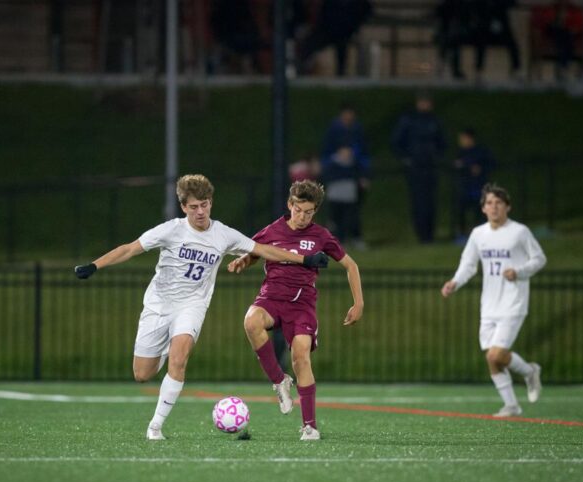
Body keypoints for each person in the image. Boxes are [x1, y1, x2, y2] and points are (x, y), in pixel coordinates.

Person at [73, 174, 329, 440]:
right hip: (159, 305)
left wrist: (305, 259)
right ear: (183, 207)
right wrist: (94, 266)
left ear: (211, 203)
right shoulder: (171, 230)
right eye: (194, 207)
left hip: (192, 306)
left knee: (180, 355)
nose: (200, 211)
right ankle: (163, 351)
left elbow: (265, 250)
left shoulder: (223, 234)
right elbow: (129, 249)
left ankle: (155, 426)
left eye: (204, 205)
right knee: (142, 374)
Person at [227, 180, 363, 441]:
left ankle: (310, 426)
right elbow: (256, 251)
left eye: (309, 212)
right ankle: (279, 381)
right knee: (251, 321)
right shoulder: (271, 230)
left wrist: (359, 303)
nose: (302, 217)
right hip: (271, 298)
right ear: (290, 205)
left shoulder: (321, 236)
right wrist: (244, 261)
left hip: (302, 306)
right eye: (298, 209)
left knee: (300, 356)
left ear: (315, 211)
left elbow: (351, 265)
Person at [441, 184, 546, 417]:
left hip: (513, 301)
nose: (494, 207)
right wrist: (454, 282)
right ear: (483, 208)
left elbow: (539, 259)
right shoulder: (479, 234)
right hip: (489, 304)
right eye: (489, 203)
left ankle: (529, 372)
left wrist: (519, 271)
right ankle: (511, 405)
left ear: (508, 206)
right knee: (493, 358)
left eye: (499, 203)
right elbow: (468, 265)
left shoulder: (519, 232)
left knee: (496, 355)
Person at [391, 91, 447, 244]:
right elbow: (397, 142)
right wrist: (406, 158)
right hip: (415, 168)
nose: (425, 105)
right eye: (423, 101)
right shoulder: (409, 120)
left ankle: (430, 234)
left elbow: (442, 142)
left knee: (430, 202)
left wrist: (436, 156)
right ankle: (422, 234)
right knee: (418, 202)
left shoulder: (434, 121)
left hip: (430, 166)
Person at [320, 102, 371, 249]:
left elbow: (363, 155)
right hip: (336, 177)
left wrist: (364, 174)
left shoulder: (357, 131)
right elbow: (326, 154)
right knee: (336, 211)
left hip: (351, 177)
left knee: (353, 210)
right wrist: (335, 158)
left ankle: (355, 237)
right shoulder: (333, 131)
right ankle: (337, 239)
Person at [453, 127, 495, 242]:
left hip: (478, 187)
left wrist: (480, 169)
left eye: (463, 138)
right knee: (461, 209)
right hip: (465, 187)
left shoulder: (480, 151)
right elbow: (457, 166)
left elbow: (491, 164)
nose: (461, 141)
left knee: (480, 210)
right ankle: (462, 234)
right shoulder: (461, 153)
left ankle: (482, 233)